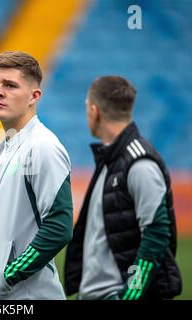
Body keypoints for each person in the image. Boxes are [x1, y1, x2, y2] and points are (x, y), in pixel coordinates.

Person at [64, 76, 182, 300]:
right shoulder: (111, 159)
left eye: (87, 108)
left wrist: (131, 293)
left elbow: (156, 235)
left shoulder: (140, 164)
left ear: (95, 111)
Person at [0, 51, 73, 300]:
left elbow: (59, 225)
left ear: (34, 96)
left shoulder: (42, 146)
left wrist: (8, 277)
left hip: (27, 296)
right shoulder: (4, 148)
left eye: (10, 85)